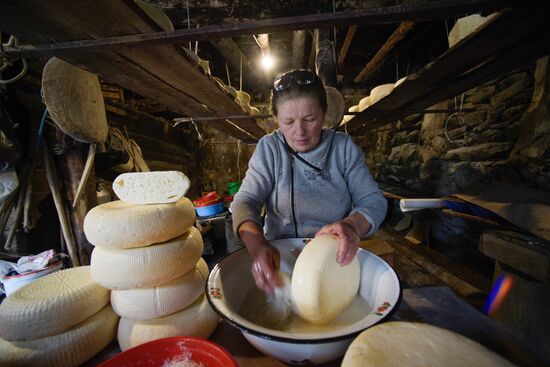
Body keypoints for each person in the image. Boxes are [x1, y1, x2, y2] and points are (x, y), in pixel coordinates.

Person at [230, 69, 387, 293]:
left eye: (310, 119)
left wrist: (352, 225)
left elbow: (373, 200)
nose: (300, 132)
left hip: (332, 260)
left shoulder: (342, 148)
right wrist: (257, 247)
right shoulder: (270, 149)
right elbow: (245, 201)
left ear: (324, 114)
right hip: (278, 261)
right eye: (289, 122)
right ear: (276, 119)